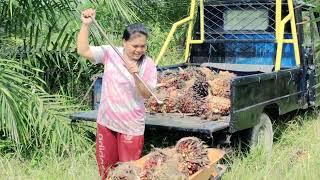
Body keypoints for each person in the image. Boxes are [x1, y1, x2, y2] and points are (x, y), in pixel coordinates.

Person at [77, 8, 157, 179]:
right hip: (107, 122)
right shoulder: (110, 53)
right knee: (106, 171)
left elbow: (146, 95)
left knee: (128, 173)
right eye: (134, 46)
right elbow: (83, 51)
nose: (139, 50)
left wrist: (136, 76)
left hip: (131, 126)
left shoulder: (148, 64)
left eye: (143, 46)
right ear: (124, 42)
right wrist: (86, 25)